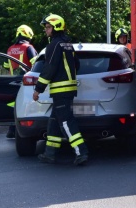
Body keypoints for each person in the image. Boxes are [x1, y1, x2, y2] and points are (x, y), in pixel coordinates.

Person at [34, 14, 88, 166]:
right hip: (68, 88)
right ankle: (49, 153)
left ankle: (81, 152)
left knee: (65, 122)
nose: (46, 30)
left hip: (60, 90)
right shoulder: (67, 44)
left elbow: (49, 68)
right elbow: (76, 65)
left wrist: (38, 89)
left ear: (56, 27)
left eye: (48, 27)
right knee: (54, 120)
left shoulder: (53, 46)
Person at [5, 24, 38, 139]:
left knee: (14, 105)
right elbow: (36, 65)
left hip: (12, 80)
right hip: (25, 81)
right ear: (28, 34)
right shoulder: (28, 48)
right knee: (24, 106)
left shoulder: (10, 49)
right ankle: (19, 130)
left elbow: (5, 65)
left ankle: (11, 130)